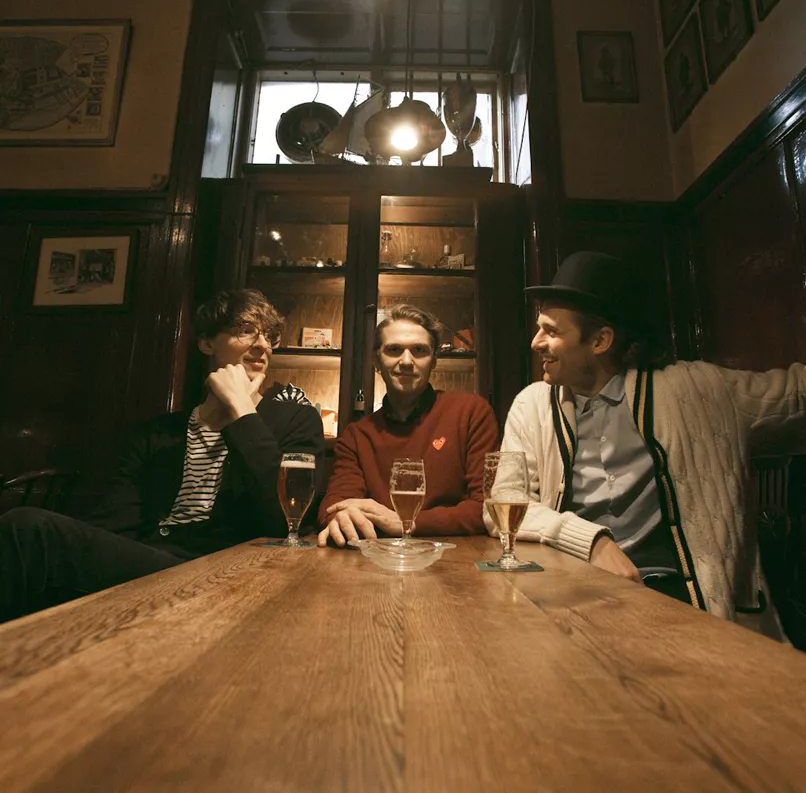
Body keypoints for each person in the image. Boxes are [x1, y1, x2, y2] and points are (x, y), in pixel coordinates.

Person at [497, 251, 806, 635]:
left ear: (601, 340)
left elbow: (795, 396)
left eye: (552, 331)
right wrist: (592, 543)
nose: (535, 342)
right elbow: (504, 502)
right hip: (575, 595)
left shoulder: (696, 392)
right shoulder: (531, 406)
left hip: (687, 604)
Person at [0, 289, 324, 622]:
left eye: (270, 336)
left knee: (27, 528)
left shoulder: (295, 420)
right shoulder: (159, 433)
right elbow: (114, 522)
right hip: (151, 564)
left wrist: (241, 410)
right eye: (245, 330)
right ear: (207, 343)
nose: (263, 345)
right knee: (29, 536)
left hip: (226, 570)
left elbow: (285, 520)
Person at [317, 304, 499, 547]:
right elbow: (334, 505)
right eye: (394, 350)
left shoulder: (471, 413)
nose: (406, 361)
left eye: (419, 350)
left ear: (434, 361)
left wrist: (407, 523)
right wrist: (341, 517)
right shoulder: (357, 435)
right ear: (376, 360)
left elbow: (486, 508)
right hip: (377, 561)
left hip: (460, 558)